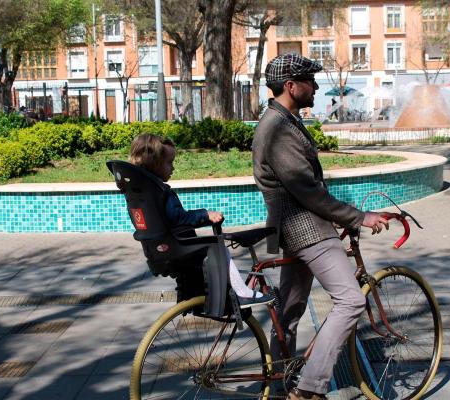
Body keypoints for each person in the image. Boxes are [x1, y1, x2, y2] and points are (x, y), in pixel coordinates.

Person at [252, 53, 397, 400]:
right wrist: (358, 217)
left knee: (289, 311)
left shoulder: (282, 121)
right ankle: (310, 389)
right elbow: (307, 191)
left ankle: (280, 384)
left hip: (293, 229)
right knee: (350, 301)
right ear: (290, 86)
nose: (316, 86)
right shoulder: (277, 129)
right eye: (310, 81)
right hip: (306, 229)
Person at [129, 133, 273, 308]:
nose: (173, 168)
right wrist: (206, 215)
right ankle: (243, 293)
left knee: (208, 251)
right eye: (169, 162)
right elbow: (179, 218)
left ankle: (203, 293)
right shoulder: (161, 192)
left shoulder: (141, 192)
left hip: (157, 250)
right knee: (218, 246)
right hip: (176, 247)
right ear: (155, 163)